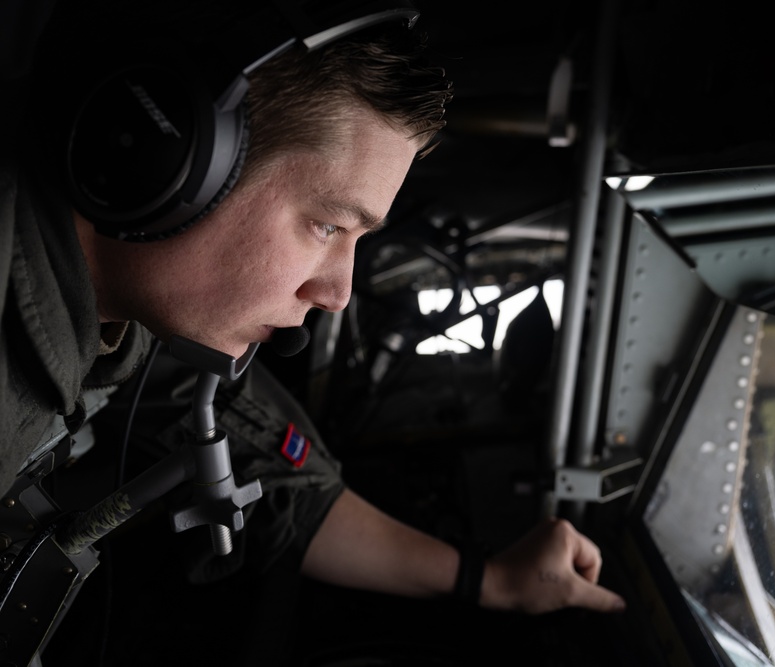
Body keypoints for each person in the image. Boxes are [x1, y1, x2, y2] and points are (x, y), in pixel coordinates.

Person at [1, 1, 625, 663]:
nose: (336, 293)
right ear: (162, 154)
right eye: (329, 226)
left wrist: (489, 579)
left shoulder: (126, 326)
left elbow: (260, 455)